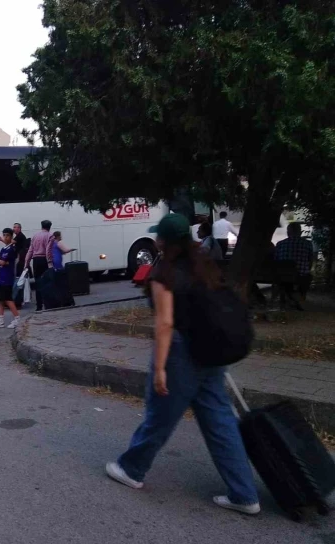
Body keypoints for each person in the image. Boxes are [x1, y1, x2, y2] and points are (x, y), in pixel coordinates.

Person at [106, 213, 260, 516]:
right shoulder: (204, 262)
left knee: (160, 416)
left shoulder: (164, 272)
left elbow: (165, 324)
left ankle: (131, 468)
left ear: (163, 241)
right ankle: (244, 494)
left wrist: (161, 368)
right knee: (220, 423)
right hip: (211, 351)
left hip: (182, 353)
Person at [275, 222, 314, 309]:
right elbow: (310, 260)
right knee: (308, 277)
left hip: (283, 275)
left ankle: (292, 297)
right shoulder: (307, 244)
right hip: (301, 275)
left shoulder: (280, 244)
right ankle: (300, 296)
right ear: (300, 233)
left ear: (288, 232)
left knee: (285, 281)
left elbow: (276, 260)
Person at [0, 228, 21, 329]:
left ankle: (17, 318)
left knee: (8, 299)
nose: (5, 237)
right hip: (1, 276)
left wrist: (2, 262)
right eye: (4, 235)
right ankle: (0, 319)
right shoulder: (4, 249)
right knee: (0, 300)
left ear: (11, 237)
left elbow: (4, 262)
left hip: (7, 277)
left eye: (7, 235)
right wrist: (1, 262)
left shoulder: (12, 249)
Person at [25, 220, 55, 311]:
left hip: (36, 261)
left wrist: (26, 263)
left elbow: (30, 250)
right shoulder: (50, 236)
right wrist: (50, 263)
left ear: (41, 226)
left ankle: (39, 306)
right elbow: (48, 251)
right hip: (44, 260)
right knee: (47, 283)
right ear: (49, 227)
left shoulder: (35, 236)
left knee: (38, 283)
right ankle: (48, 304)